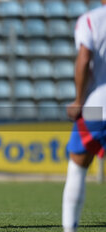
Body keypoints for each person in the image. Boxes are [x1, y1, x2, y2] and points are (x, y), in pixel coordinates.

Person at [62, 1, 106, 232]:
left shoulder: (91, 19)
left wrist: (79, 99)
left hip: (97, 105)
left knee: (78, 166)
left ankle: (70, 229)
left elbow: (84, 59)